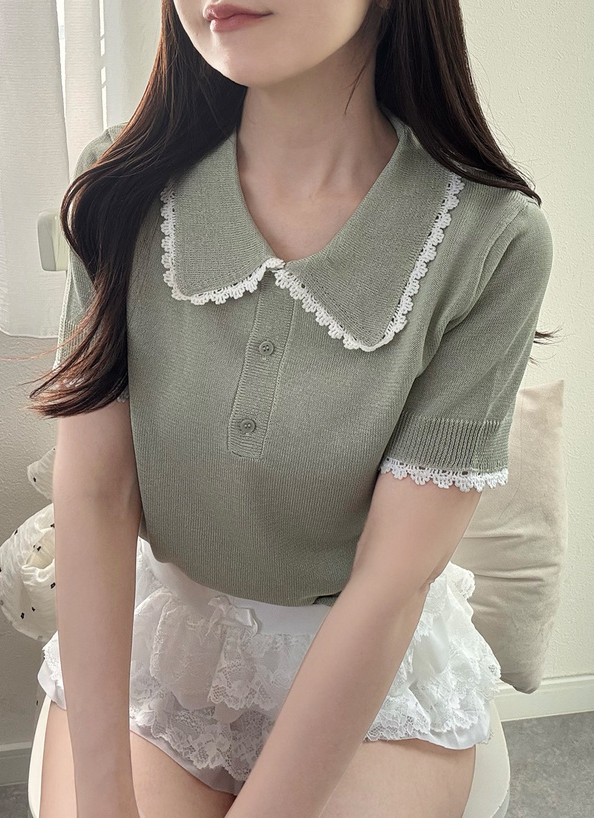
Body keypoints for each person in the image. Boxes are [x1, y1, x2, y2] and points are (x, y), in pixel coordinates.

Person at [28, 1, 554, 817]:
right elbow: (95, 493)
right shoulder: (119, 185)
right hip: (165, 646)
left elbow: (390, 580)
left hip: (367, 675)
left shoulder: (493, 239)